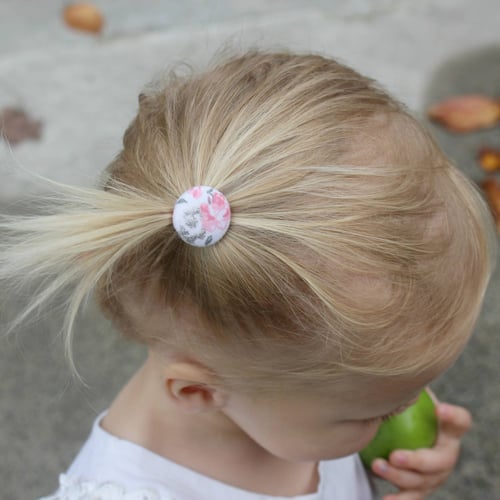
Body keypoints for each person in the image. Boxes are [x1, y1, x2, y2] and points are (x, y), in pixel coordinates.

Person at [0, 49, 496, 500]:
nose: (405, 409)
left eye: (402, 397)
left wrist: (397, 449)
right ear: (199, 393)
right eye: (378, 413)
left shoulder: (290, 380)